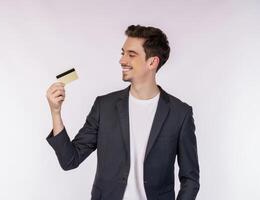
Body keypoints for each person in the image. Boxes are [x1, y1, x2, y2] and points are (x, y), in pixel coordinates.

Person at [46, 25, 200, 200]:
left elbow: (190, 179)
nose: (122, 60)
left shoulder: (180, 113)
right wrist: (56, 112)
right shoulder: (104, 106)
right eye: (123, 53)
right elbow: (69, 160)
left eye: (131, 55)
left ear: (152, 62)